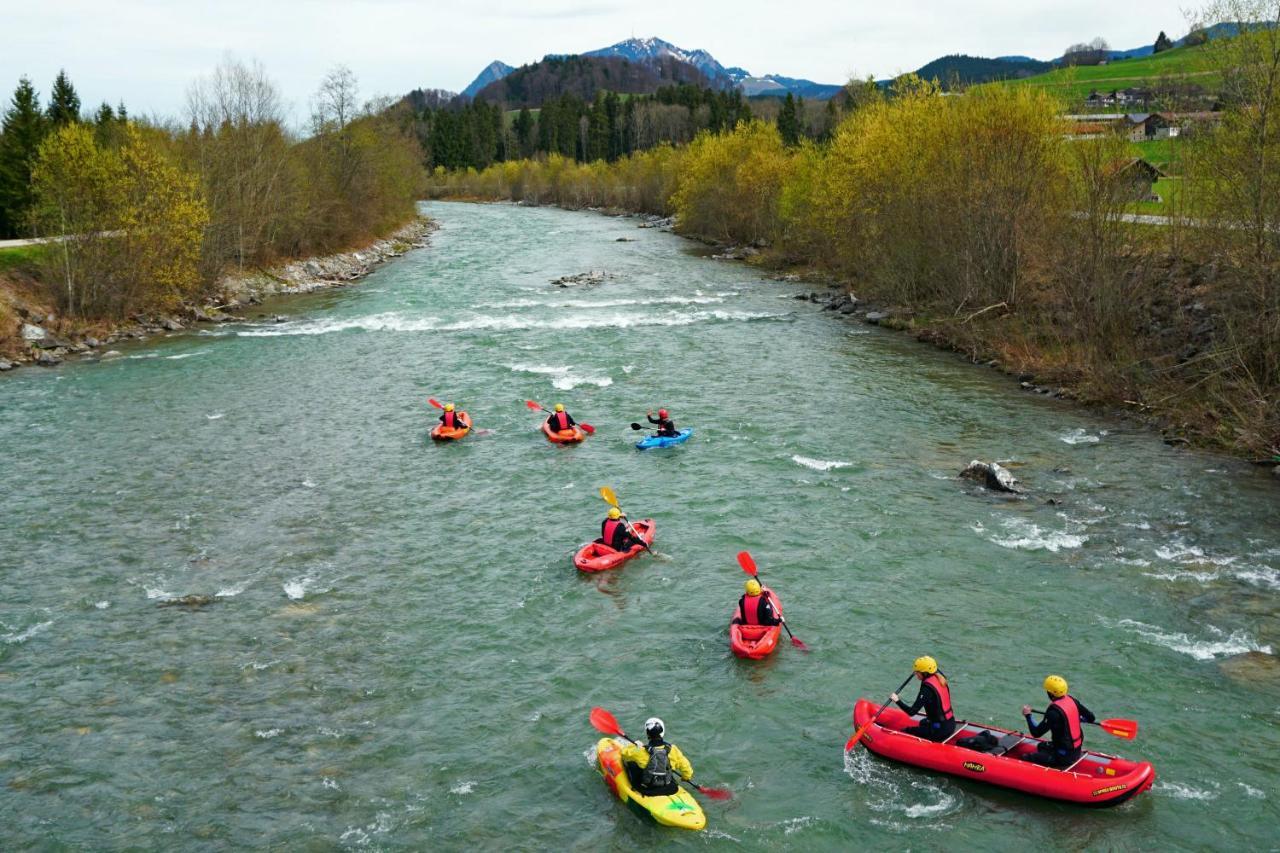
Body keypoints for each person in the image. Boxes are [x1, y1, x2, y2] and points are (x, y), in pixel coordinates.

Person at [1021, 675, 1096, 768]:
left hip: (1063, 757)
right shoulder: (1073, 701)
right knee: (1041, 746)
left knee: (1026, 757)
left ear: (1051, 694)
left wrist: (1028, 715)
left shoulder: (1053, 713)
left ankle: (1052, 770)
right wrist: (1077, 718)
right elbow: (1091, 718)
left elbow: (1036, 733)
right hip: (1076, 750)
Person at [620, 717, 694, 797]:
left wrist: (635, 745)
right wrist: (686, 777)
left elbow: (623, 753)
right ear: (662, 732)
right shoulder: (673, 749)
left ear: (648, 734)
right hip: (669, 788)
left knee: (631, 763)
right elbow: (687, 768)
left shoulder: (641, 751)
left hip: (647, 789)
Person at [890, 656, 956, 742]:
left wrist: (897, 700)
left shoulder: (927, 689)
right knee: (923, 723)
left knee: (906, 731)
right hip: (950, 723)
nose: (915, 674)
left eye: (917, 672)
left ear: (925, 673)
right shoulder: (939, 676)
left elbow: (912, 712)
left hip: (940, 730)